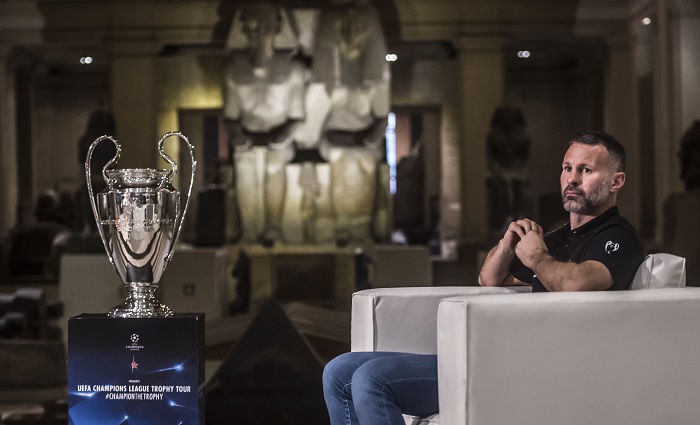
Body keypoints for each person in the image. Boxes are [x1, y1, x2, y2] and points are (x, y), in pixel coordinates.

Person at [322, 130, 645, 425]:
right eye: (567, 168)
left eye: (585, 170)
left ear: (616, 181)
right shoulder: (560, 239)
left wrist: (536, 256)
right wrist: (507, 245)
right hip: (501, 356)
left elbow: (577, 284)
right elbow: (489, 280)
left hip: (538, 369)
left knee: (371, 379)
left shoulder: (618, 237)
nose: (571, 179)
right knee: (338, 372)